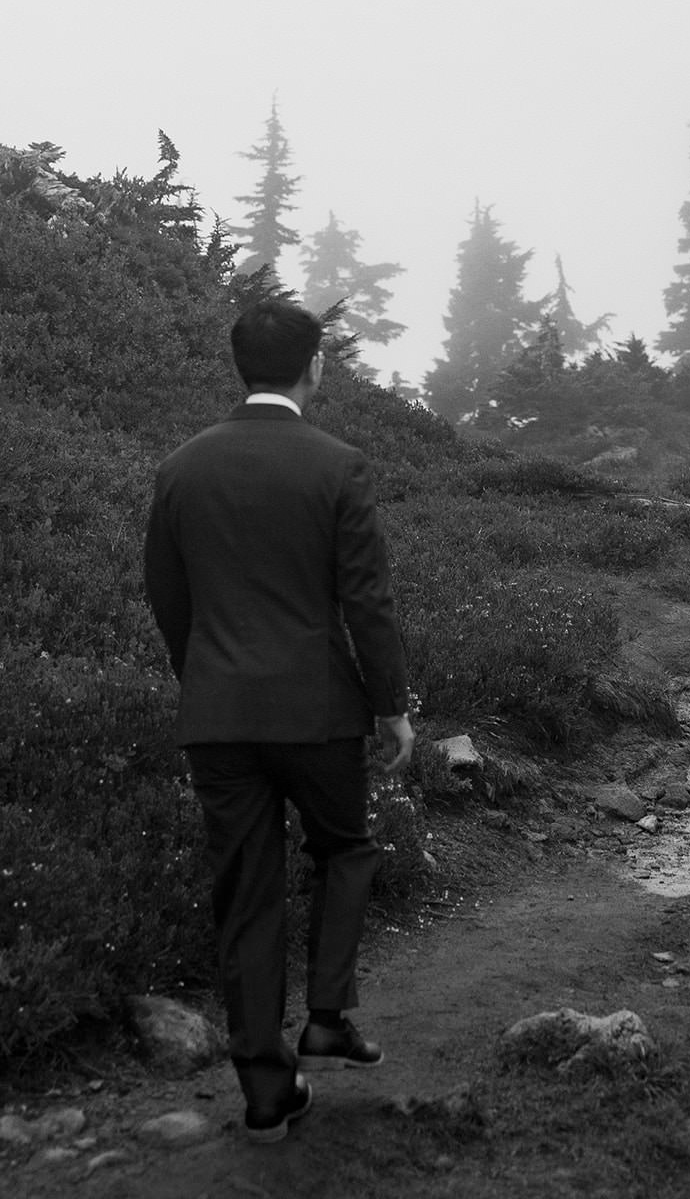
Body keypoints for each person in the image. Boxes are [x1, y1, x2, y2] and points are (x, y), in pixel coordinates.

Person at [144, 299, 416, 1143]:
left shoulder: (182, 467)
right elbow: (365, 602)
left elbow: (167, 593)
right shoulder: (339, 465)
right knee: (347, 848)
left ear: (239, 366)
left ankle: (267, 1091)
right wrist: (392, 706)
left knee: (247, 895)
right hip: (319, 712)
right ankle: (328, 1013)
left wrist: (211, 677)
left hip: (217, 715)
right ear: (317, 364)